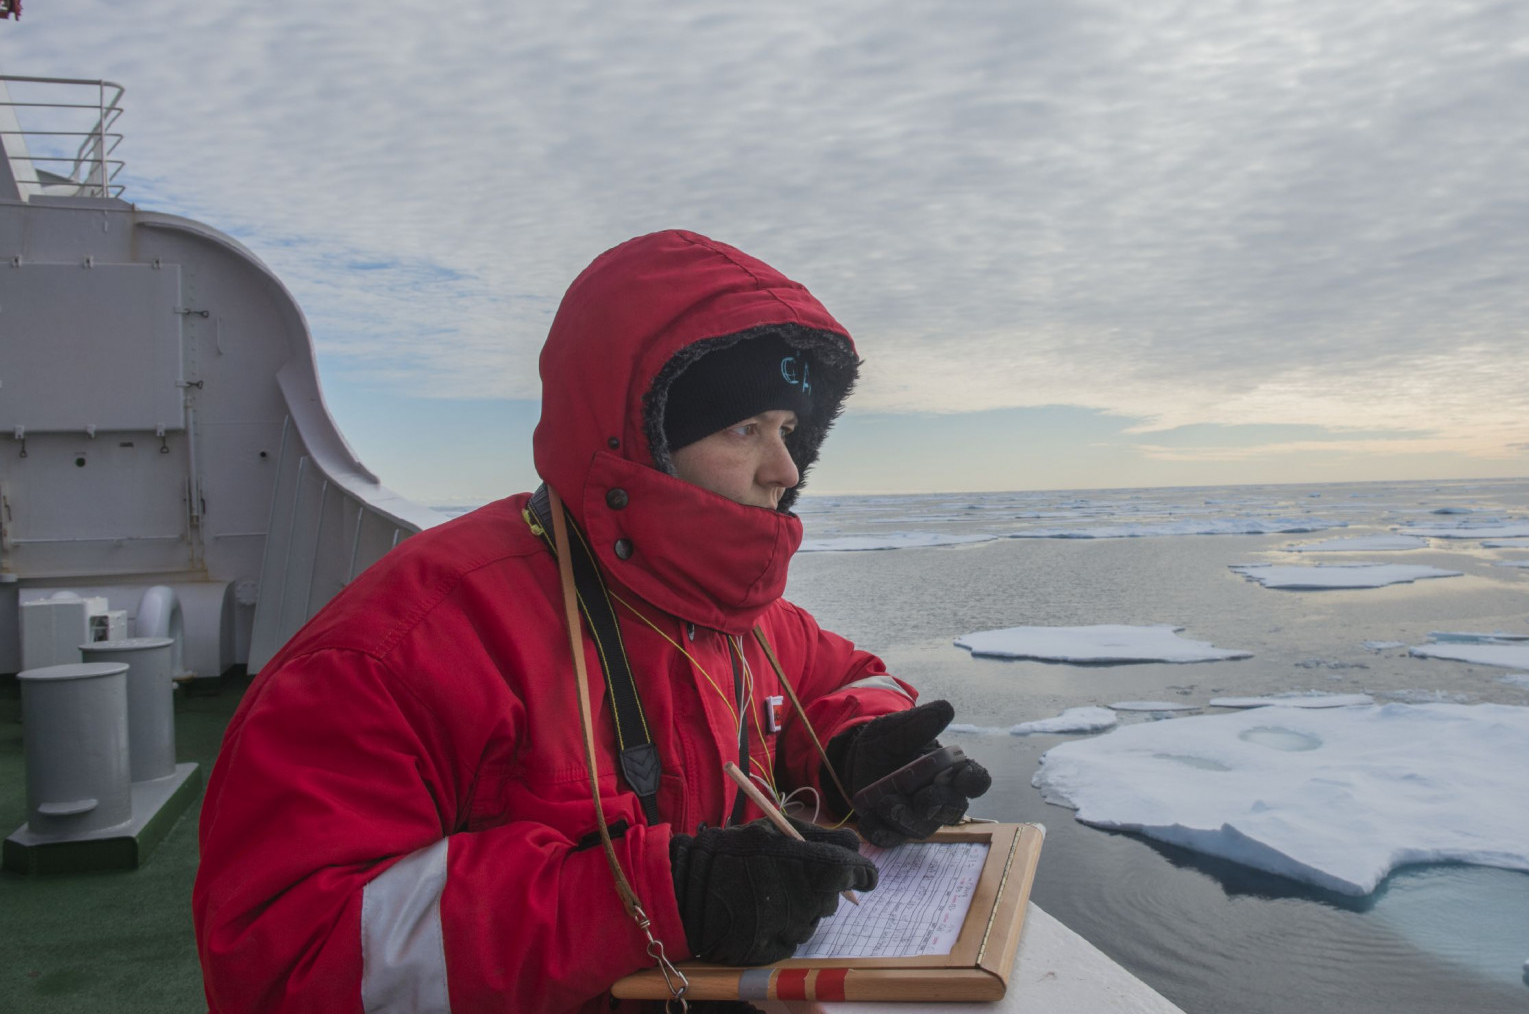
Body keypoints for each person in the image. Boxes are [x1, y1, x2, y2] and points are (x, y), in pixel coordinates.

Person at [192, 230, 992, 1014]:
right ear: (643, 437)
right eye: (744, 428)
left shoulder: (736, 617)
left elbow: (847, 676)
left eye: (790, 431)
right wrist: (653, 896)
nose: (784, 470)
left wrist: (862, 743)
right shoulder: (403, 649)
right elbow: (288, 958)